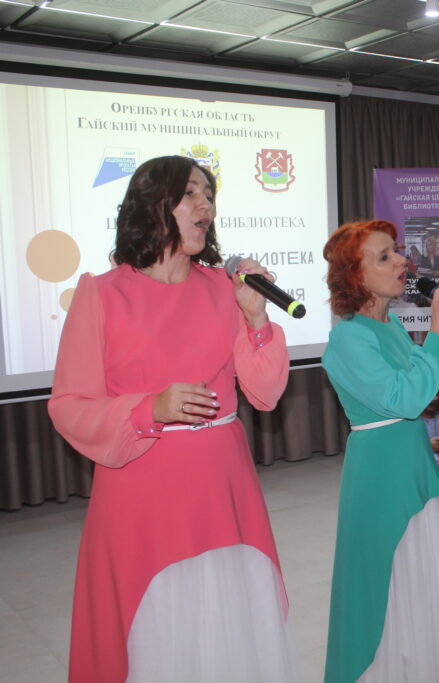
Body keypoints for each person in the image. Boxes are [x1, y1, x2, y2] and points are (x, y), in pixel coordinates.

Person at [48, 155, 297, 682]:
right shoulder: (102, 293)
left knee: (228, 628)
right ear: (152, 204)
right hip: (142, 492)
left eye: (209, 195)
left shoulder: (225, 288)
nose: (206, 205)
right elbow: (69, 404)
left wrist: (256, 317)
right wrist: (150, 409)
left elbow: (265, 393)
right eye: (190, 193)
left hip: (223, 485)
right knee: (155, 634)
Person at [321, 219, 439, 683]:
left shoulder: (391, 326)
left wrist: (431, 351)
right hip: (381, 472)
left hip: (412, 462)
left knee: (415, 583)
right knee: (379, 583)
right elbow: (406, 399)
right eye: (384, 256)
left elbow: (421, 395)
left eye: (397, 250)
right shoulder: (349, 337)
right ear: (355, 275)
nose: (401, 260)